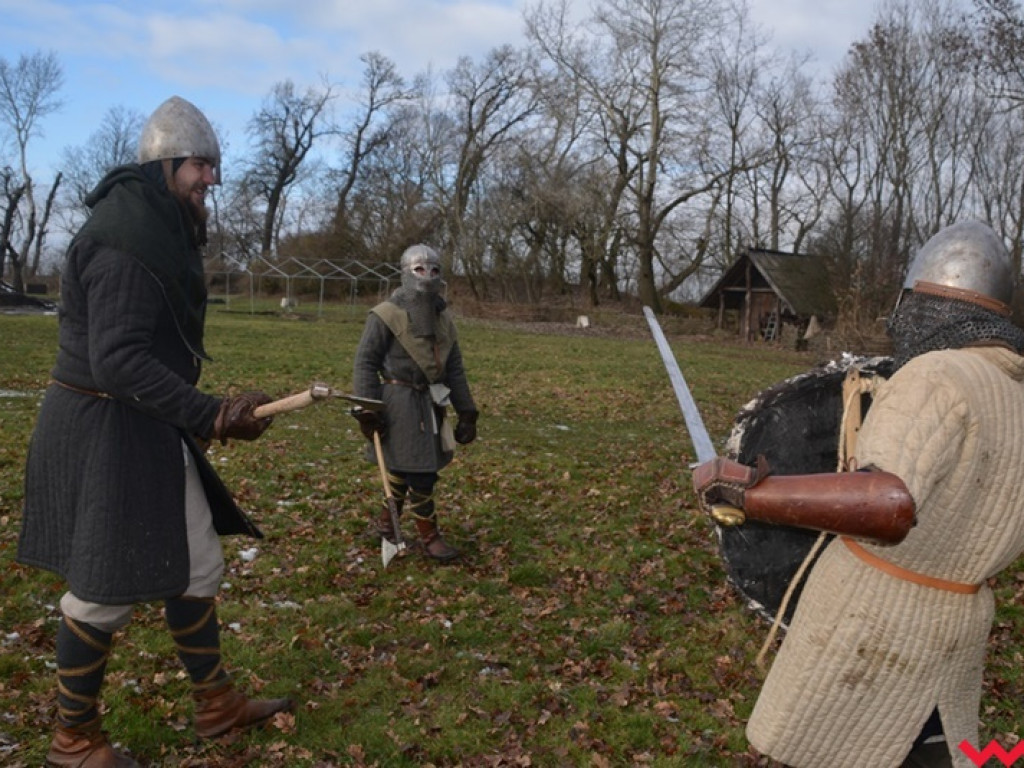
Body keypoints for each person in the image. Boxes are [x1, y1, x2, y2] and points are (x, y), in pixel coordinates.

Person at [17, 95, 294, 767]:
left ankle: (216, 705)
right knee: (101, 589)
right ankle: (73, 740)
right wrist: (210, 413)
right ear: (166, 163)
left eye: (213, 166)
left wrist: (203, 413)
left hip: (143, 422)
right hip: (106, 428)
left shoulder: (152, 221)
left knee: (198, 563)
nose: (211, 179)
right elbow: (116, 359)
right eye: (202, 164)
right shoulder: (124, 238)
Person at [692, 220, 1024, 768]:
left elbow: (888, 503)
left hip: (875, 629)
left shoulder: (935, 376)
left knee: (827, 751)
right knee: (927, 750)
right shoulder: (1013, 392)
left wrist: (750, 494)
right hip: (957, 621)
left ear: (922, 304)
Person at [351, 243, 478, 563]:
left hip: (432, 401)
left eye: (434, 270)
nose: (428, 276)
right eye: (420, 270)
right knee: (419, 472)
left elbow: (454, 369)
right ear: (406, 273)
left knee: (405, 468)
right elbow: (365, 362)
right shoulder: (386, 315)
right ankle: (429, 536)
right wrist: (368, 410)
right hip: (397, 402)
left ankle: (386, 524)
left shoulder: (443, 319)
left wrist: (467, 412)